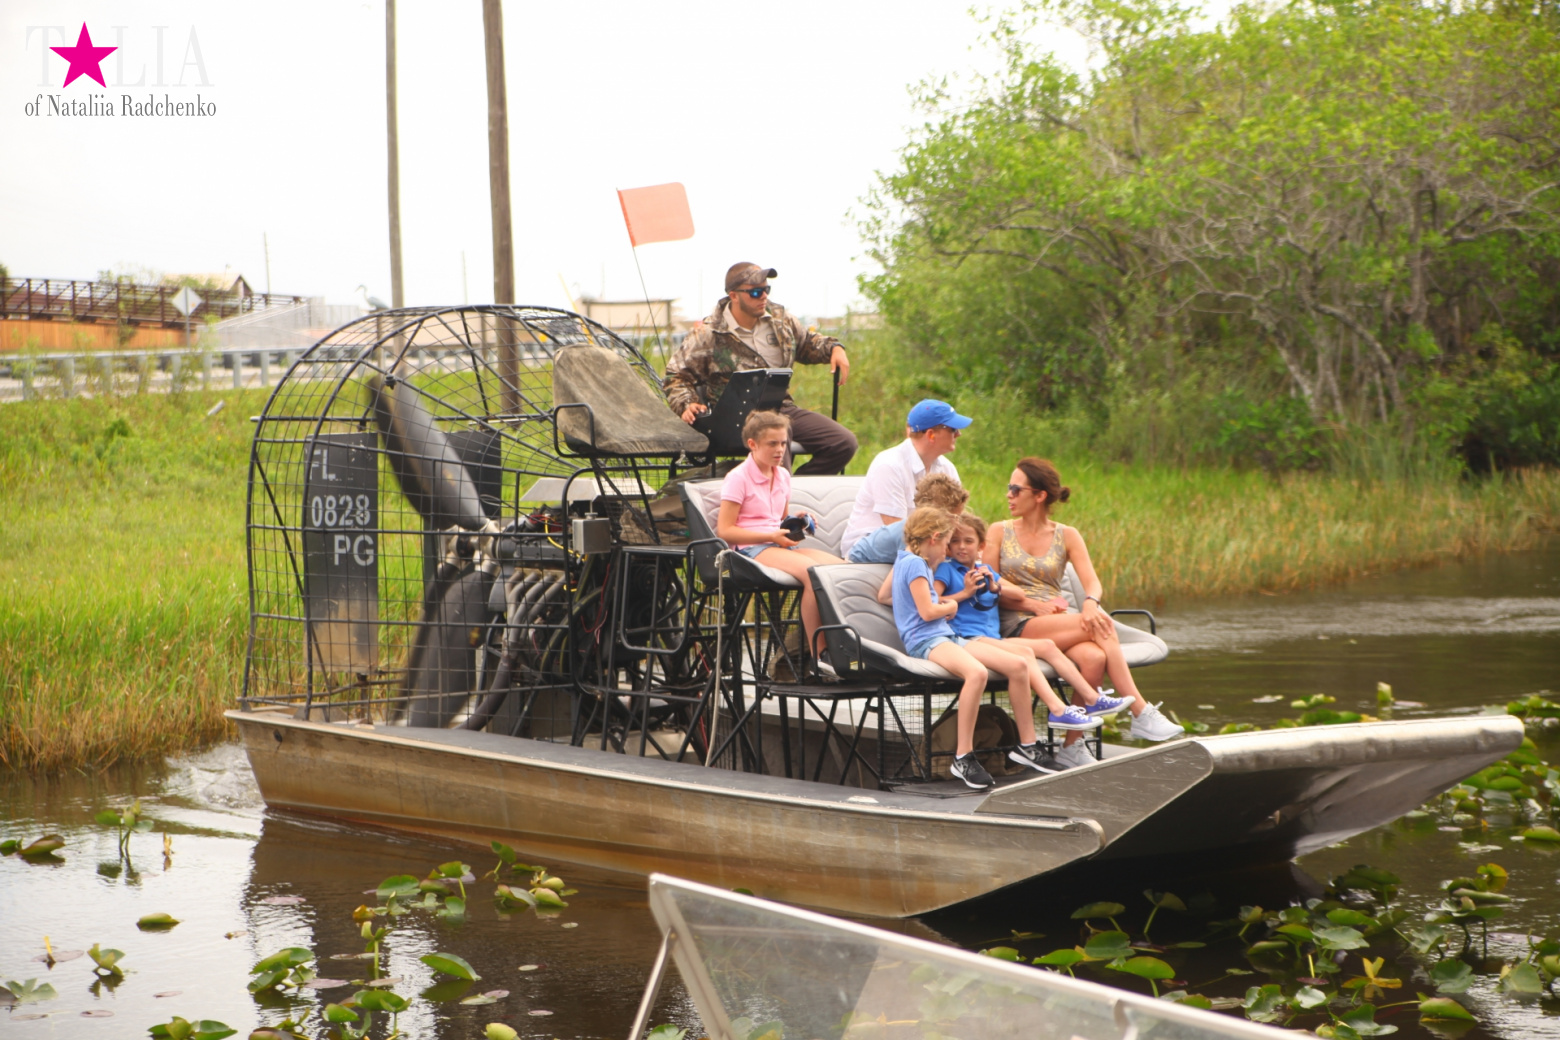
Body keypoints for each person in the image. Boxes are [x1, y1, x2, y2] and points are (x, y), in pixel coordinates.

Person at [892, 506, 1099, 790]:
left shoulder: (910, 560)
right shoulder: (916, 564)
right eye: (947, 543)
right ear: (934, 538)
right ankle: (963, 756)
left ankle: (1027, 745)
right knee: (976, 673)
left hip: (946, 636)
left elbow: (924, 606)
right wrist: (952, 606)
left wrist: (950, 605)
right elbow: (927, 612)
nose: (945, 552)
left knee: (1018, 665)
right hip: (926, 639)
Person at [985, 457, 1183, 744]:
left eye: (1016, 489)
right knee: (1101, 625)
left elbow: (1092, 582)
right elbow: (991, 585)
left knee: (1094, 657)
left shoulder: (1067, 535)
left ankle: (1072, 745)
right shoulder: (998, 531)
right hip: (1016, 622)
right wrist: (1033, 604)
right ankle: (1140, 711)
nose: (1009, 495)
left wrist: (1090, 603)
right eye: (1009, 488)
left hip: (1057, 622)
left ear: (1039, 496)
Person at [937, 513, 1130, 770]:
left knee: (1047, 646)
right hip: (968, 638)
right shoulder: (946, 569)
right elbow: (934, 600)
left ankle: (1092, 699)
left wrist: (995, 586)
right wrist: (965, 592)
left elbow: (1018, 593)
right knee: (1026, 656)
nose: (962, 546)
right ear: (948, 546)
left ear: (981, 546)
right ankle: (1058, 710)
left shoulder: (986, 571)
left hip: (993, 638)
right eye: (956, 541)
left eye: (968, 541)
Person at [664, 262, 856, 475]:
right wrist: (687, 404)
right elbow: (676, 375)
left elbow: (807, 343)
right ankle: (777, 492)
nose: (763, 296)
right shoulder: (708, 334)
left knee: (843, 443)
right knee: (777, 437)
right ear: (734, 296)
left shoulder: (780, 320)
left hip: (781, 407)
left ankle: (793, 489)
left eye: (766, 290)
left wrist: (834, 348)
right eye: (755, 292)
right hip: (736, 417)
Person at [716, 409, 844, 656]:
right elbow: (726, 530)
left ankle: (842, 644)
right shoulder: (737, 478)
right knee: (813, 575)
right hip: (750, 549)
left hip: (777, 543)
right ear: (752, 444)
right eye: (772, 444)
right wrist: (770, 536)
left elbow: (779, 520)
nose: (780, 450)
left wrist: (798, 520)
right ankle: (820, 655)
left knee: (843, 568)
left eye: (783, 443)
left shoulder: (783, 474)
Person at [839, 399, 967, 559]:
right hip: (867, 551)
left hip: (925, 545)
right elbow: (899, 532)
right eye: (953, 429)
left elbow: (957, 518)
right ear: (931, 434)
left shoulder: (947, 468)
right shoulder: (889, 464)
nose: (958, 434)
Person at [852, 472, 968, 564]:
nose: (957, 523)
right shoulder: (911, 533)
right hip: (863, 562)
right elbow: (911, 567)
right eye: (954, 517)